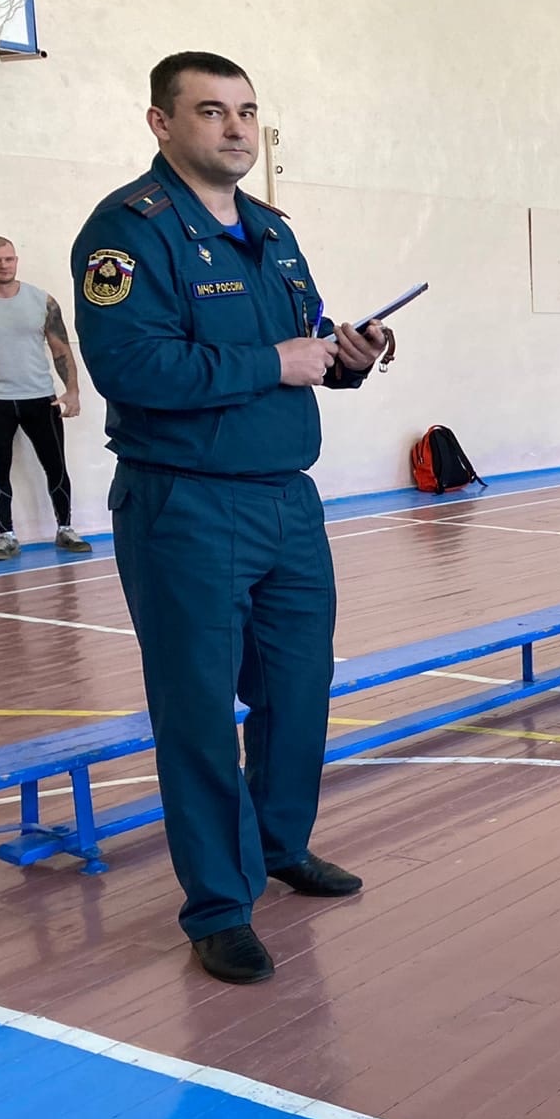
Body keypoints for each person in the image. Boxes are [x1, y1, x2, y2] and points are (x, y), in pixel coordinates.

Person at [71, 51, 392, 985]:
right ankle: (218, 902)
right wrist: (275, 365)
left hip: (287, 497)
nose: (237, 127)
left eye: (247, 110)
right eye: (211, 111)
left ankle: (281, 844)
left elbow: (309, 346)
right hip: (186, 505)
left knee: (299, 692)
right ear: (161, 124)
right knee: (200, 710)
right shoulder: (128, 234)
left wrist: (350, 356)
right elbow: (131, 371)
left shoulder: (272, 232)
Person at [0, 235, 93, 559]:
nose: (4, 265)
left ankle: (66, 529)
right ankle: (7, 537)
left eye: (9, 258)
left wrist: (72, 391)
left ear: (16, 260)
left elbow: (61, 349)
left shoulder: (42, 301)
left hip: (40, 397)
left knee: (56, 465)